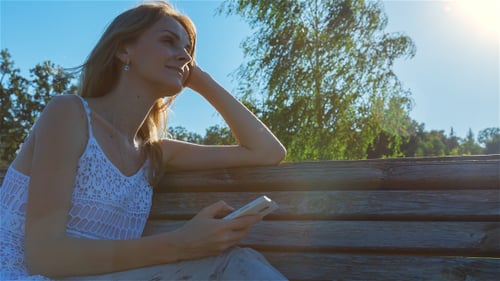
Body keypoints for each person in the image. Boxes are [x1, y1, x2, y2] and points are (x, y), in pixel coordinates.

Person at [0, 1, 288, 280]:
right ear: (124, 50)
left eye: (187, 50)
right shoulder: (68, 114)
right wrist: (181, 244)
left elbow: (267, 151)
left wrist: (201, 79)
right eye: (168, 41)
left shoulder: (155, 153)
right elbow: (45, 257)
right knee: (231, 263)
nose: (185, 56)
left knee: (239, 262)